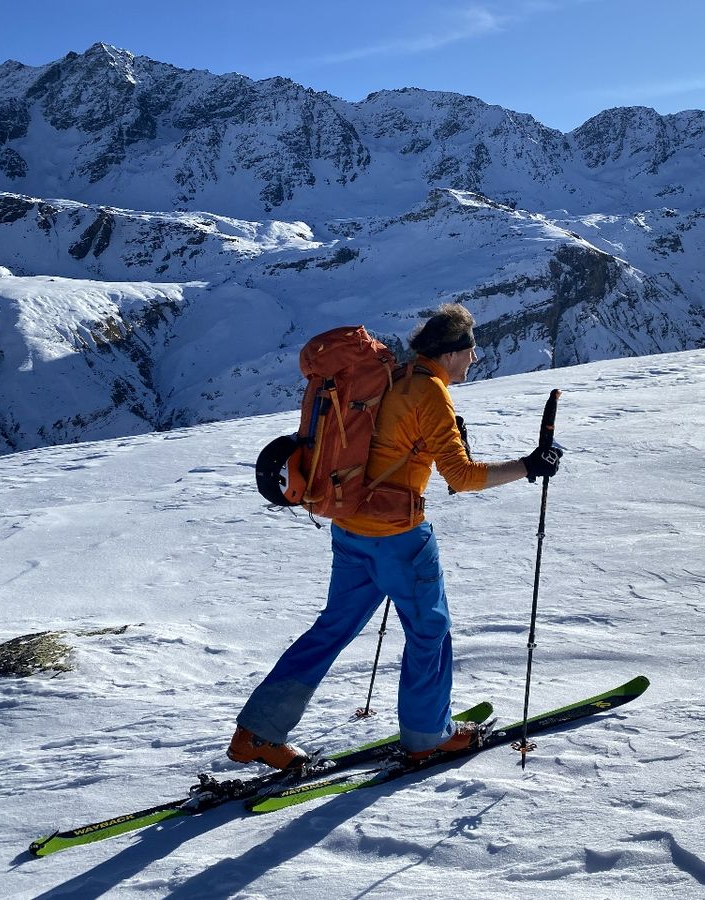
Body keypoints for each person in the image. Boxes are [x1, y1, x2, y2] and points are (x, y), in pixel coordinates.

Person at [229, 303, 563, 768]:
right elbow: (462, 478)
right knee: (429, 630)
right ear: (450, 353)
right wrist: (530, 465)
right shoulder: (430, 393)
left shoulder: (396, 377)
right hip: (399, 537)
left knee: (331, 629)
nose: (475, 358)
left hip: (351, 529)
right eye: (470, 349)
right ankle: (428, 735)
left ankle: (257, 733)